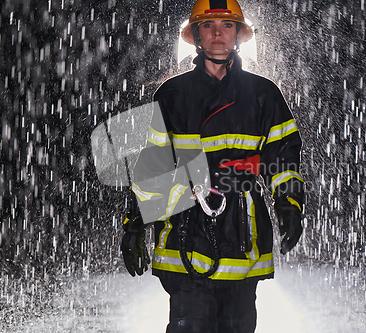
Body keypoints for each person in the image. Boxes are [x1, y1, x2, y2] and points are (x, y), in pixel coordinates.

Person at [121, 0, 305, 332]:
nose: (218, 33)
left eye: (226, 25)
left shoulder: (264, 95)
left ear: (238, 35)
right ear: (196, 36)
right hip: (184, 227)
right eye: (208, 26)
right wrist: (133, 222)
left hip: (241, 229)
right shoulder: (172, 94)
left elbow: (283, 159)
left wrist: (288, 204)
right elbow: (151, 164)